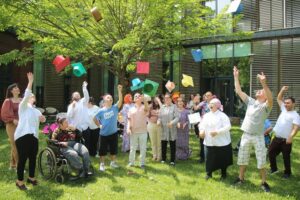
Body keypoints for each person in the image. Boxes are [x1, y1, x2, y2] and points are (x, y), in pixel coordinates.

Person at [233, 66, 273, 192]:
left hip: (258, 136)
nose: (258, 91)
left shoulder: (266, 106)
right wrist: (236, 76)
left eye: (261, 91)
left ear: (265, 96)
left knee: (261, 159)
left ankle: (264, 182)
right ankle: (241, 178)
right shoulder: (250, 102)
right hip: (246, 135)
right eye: (259, 90)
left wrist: (264, 84)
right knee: (242, 157)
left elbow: (271, 99)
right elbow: (239, 91)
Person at [14, 72, 46, 190]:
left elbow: (42, 119)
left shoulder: (36, 111)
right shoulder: (22, 106)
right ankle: (19, 181)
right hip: (22, 136)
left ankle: (31, 178)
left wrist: (43, 118)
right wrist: (30, 82)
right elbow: (27, 93)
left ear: (34, 99)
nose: (31, 96)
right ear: (26, 98)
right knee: (22, 159)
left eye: (33, 96)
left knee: (33, 157)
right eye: (29, 95)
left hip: (34, 136)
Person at [268, 86, 300, 179]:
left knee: (286, 157)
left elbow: (296, 127)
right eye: (285, 103)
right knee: (270, 153)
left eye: (288, 103)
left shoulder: (296, 115)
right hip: (276, 137)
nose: (286, 104)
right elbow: (278, 98)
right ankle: (274, 169)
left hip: (286, 140)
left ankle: (287, 173)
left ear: (293, 104)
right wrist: (281, 90)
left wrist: (291, 136)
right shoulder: (283, 109)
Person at [199, 98, 232, 180]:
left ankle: (223, 174)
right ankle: (208, 173)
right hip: (209, 141)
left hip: (221, 142)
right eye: (210, 103)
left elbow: (228, 126)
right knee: (209, 158)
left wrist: (217, 132)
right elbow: (201, 125)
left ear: (217, 106)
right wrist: (202, 131)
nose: (210, 105)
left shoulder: (223, 116)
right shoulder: (206, 115)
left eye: (212, 103)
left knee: (222, 158)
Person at [94, 85, 123, 172]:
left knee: (113, 149)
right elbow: (94, 119)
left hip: (113, 133)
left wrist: (119, 91)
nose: (110, 99)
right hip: (103, 134)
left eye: (111, 98)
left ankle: (113, 163)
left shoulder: (115, 108)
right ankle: (102, 164)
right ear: (104, 100)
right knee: (102, 151)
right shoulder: (101, 111)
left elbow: (121, 100)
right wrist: (99, 125)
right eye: (108, 98)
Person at [1, 83, 22, 170]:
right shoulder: (8, 101)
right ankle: (18, 166)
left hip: (22, 125)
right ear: (11, 91)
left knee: (19, 144)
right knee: (15, 144)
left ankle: (12, 165)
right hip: (11, 125)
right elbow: (4, 114)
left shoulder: (22, 100)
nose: (17, 89)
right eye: (15, 88)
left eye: (17, 87)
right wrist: (13, 120)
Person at [66, 81, 91, 154]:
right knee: (77, 143)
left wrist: (84, 87)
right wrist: (73, 107)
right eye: (75, 95)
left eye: (78, 95)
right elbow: (69, 116)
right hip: (76, 128)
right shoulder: (71, 106)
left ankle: (87, 156)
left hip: (85, 126)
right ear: (73, 97)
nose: (77, 96)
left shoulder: (83, 102)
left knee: (87, 142)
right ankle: (78, 154)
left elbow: (86, 96)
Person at [127, 93, 149, 168]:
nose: (137, 97)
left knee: (143, 148)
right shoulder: (131, 109)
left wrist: (145, 99)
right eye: (135, 96)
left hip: (143, 131)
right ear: (134, 99)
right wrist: (128, 129)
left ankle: (142, 163)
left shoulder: (144, 107)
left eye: (139, 96)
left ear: (141, 98)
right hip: (133, 131)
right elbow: (129, 120)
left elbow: (147, 109)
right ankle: (131, 162)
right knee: (132, 148)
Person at [158, 93, 179, 166]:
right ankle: (163, 159)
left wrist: (172, 122)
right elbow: (160, 117)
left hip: (171, 129)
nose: (166, 99)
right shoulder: (162, 107)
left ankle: (172, 160)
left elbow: (177, 117)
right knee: (163, 144)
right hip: (164, 129)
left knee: (172, 144)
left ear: (170, 99)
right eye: (165, 98)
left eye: (168, 98)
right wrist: (158, 122)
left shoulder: (174, 107)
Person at [147, 97, 162, 161]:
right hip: (151, 125)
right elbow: (147, 115)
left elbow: (163, 110)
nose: (156, 101)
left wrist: (159, 101)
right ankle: (154, 155)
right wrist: (149, 122)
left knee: (159, 142)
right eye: (155, 99)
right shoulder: (150, 106)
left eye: (157, 99)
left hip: (159, 126)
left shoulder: (162, 106)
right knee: (153, 142)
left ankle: (159, 156)